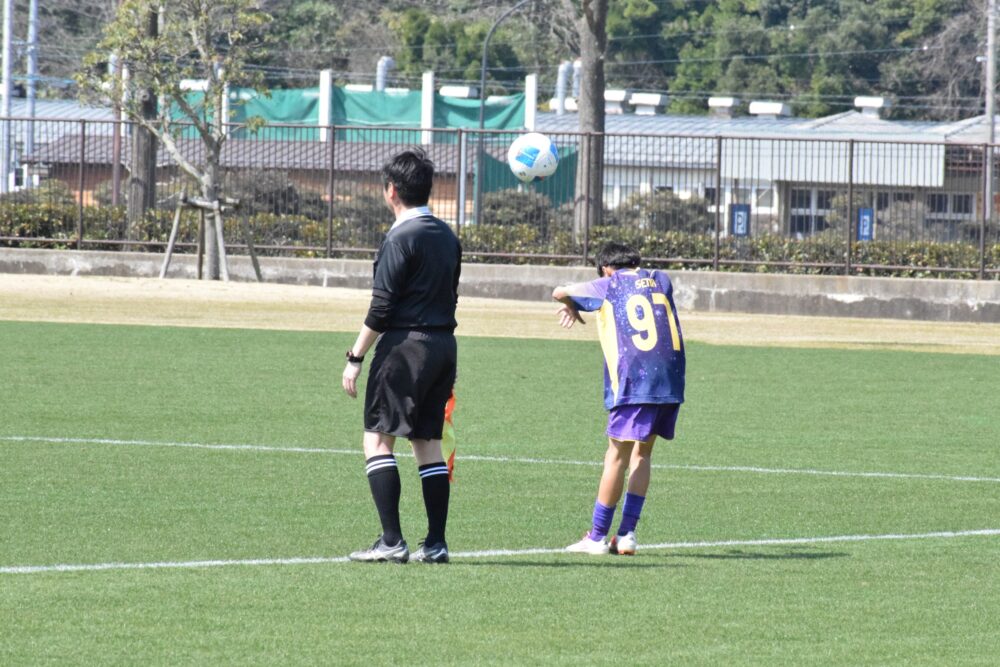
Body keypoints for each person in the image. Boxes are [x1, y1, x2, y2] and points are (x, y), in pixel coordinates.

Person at [342, 147, 461, 564]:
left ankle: (392, 541)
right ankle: (436, 543)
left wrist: (355, 356)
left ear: (391, 190)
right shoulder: (447, 235)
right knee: (428, 443)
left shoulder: (400, 237)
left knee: (378, 439)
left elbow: (381, 307)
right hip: (443, 346)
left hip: (404, 348)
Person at [551, 241, 685, 555]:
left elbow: (559, 292)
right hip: (669, 379)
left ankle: (597, 537)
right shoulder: (660, 278)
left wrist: (573, 303)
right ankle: (626, 534)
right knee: (643, 454)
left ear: (606, 269)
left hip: (635, 380)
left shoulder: (608, 284)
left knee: (616, 456)